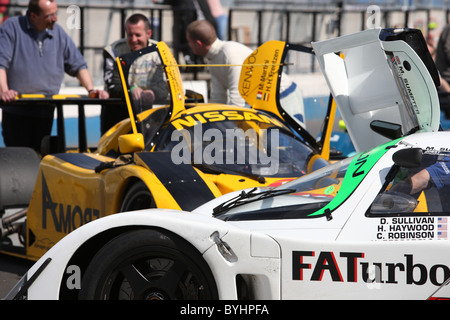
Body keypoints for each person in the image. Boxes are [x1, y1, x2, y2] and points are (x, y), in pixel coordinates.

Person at [0, 0, 108, 153]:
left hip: (46, 110)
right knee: (19, 161)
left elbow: (78, 65)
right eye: (50, 15)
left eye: (56, 13)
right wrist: (4, 91)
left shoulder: (58, 33)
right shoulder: (12, 27)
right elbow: (1, 63)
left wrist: (91, 90)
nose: (55, 18)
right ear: (34, 16)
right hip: (17, 111)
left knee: (42, 159)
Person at [102, 13, 161, 134]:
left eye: (138, 35)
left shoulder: (160, 51)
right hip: (116, 113)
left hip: (149, 114)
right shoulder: (113, 50)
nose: (134, 40)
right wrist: (132, 89)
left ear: (148, 34)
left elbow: (164, 86)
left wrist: (152, 93)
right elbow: (113, 85)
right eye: (130, 35)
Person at [186, 19, 252, 107]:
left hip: (269, 101)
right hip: (251, 102)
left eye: (189, 41)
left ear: (198, 44)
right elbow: (219, 97)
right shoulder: (213, 58)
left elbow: (237, 98)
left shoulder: (228, 53)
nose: (188, 45)